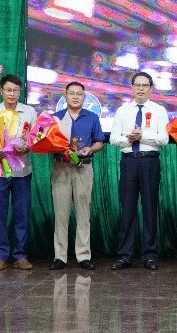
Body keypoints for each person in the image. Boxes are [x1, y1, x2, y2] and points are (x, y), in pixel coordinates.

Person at [109, 72, 168, 270]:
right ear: (132, 88)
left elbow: (164, 139)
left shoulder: (159, 110)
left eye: (145, 85)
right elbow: (114, 139)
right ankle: (125, 255)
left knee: (150, 208)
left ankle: (150, 255)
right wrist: (129, 138)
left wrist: (142, 136)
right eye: (137, 85)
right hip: (129, 162)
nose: (141, 89)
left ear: (151, 89)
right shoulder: (122, 110)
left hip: (150, 161)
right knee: (127, 209)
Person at [0, 74, 38, 271]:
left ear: (20, 92)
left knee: (22, 213)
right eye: (8, 90)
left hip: (22, 170)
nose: (12, 94)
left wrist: (28, 148)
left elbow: (36, 137)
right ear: (1, 91)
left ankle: (20, 254)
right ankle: (0, 254)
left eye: (15, 90)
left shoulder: (30, 112)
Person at [49, 81, 106, 271]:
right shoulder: (55, 118)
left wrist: (91, 148)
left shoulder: (91, 117)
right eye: (71, 93)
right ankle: (60, 257)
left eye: (79, 94)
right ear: (64, 96)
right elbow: (46, 142)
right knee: (61, 213)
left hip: (83, 167)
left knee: (83, 213)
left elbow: (100, 142)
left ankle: (83, 256)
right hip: (61, 167)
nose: (75, 97)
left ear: (84, 97)